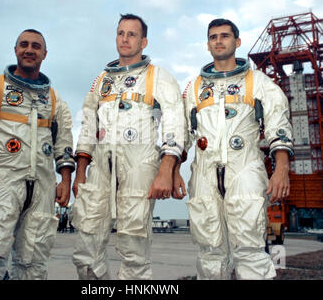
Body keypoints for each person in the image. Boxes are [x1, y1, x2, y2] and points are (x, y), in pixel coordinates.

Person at [175, 19, 294, 280]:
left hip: (245, 169)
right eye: (213, 37)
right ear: (208, 45)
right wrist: (172, 171)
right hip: (205, 173)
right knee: (209, 253)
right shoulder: (194, 88)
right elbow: (179, 133)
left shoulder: (258, 82)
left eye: (225, 36)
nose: (219, 41)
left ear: (237, 42)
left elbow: (278, 123)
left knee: (250, 251)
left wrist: (281, 169)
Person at [71, 14, 185, 280]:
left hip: (140, 165)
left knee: (134, 249)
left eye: (132, 34)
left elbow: (175, 124)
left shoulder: (159, 77)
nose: (125, 38)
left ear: (143, 42)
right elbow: (88, 125)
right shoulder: (101, 79)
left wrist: (166, 170)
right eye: (121, 33)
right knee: (86, 249)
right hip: (100, 166)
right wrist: (80, 173)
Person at [0, 29, 75, 280]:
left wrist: (64, 180)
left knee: (33, 264)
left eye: (35, 46)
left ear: (44, 53)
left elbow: (63, 140)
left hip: (42, 189)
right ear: (16, 50)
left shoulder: (53, 99)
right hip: (3, 184)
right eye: (23, 45)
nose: (29, 50)